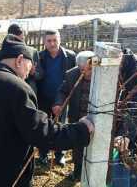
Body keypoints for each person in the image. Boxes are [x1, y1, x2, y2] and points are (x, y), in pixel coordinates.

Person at [0, 35, 94, 187]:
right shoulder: (17, 88)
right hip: (0, 176)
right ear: (19, 60)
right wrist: (81, 130)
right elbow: (42, 133)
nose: (27, 74)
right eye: (29, 67)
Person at [52, 51, 95, 181]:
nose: (85, 73)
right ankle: (77, 171)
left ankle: (93, 175)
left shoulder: (102, 76)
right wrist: (59, 104)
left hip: (96, 118)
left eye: (88, 70)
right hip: (78, 118)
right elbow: (62, 91)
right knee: (78, 147)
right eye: (82, 70)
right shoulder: (71, 75)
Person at [36, 29, 76, 166]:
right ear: (44, 42)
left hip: (62, 99)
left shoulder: (70, 56)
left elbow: (74, 78)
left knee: (61, 126)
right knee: (44, 127)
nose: (52, 43)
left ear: (59, 40)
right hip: (44, 98)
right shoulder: (39, 56)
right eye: (49, 40)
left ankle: (59, 155)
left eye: (55, 40)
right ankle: (43, 154)